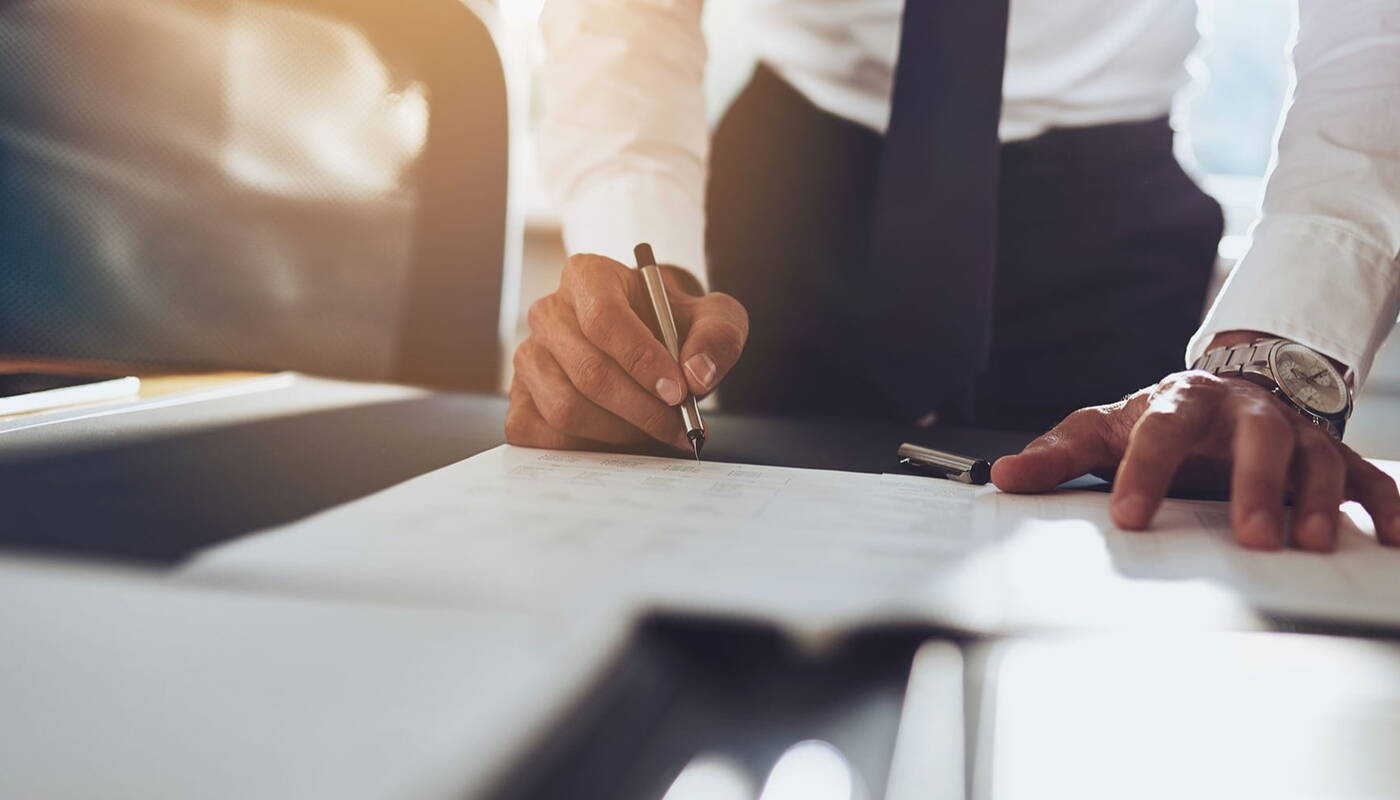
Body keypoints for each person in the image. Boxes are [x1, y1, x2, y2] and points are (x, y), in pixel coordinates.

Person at [507, 0, 1400, 553]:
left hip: (1107, 214)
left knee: (1110, 591)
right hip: (791, 186)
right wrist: (638, 263)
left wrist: (1283, 346)